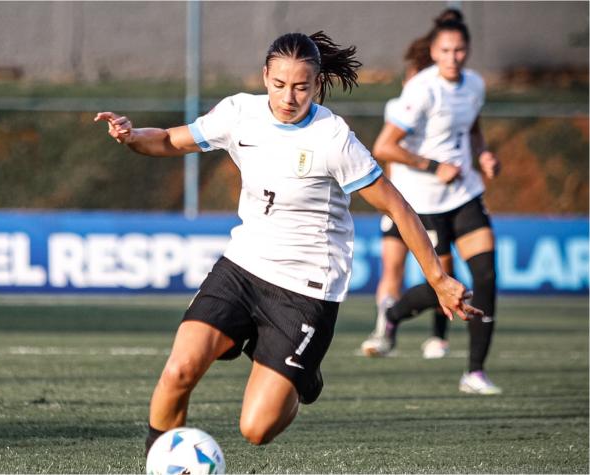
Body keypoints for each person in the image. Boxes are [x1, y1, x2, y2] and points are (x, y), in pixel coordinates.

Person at [95, 32, 480, 450]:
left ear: (316, 85)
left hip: (306, 289)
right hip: (242, 268)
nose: (289, 97)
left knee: (256, 430)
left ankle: (302, 377)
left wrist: (439, 279)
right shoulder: (239, 112)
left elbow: (399, 209)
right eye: (279, 85)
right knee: (179, 371)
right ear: (265, 76)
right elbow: (170, 139)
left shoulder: (334, 138)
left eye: (300, 87)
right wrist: (132, 137)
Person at [359, 10, 502, 395]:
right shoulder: (422, 89)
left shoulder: (474, 84)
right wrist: (433, 165)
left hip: (466, 194)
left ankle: (474, 373)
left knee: (486, 278)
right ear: (434, 52)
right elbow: (384, 146)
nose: (453, 57)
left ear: (467, 50)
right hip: (424, 202)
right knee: (445, 284)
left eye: (459, 50)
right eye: (445, 50)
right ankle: (392, 314)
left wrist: (483, 155)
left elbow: (472, 128)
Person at [361, 33, 454, 360]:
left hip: (431, 202)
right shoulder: (397, 108)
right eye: (409, 78)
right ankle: (383, 331)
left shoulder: (440, 109)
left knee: (441, 271)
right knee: (392, 269)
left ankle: (438, 336)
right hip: (399, 200)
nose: (411, 85)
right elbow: (388, 152)